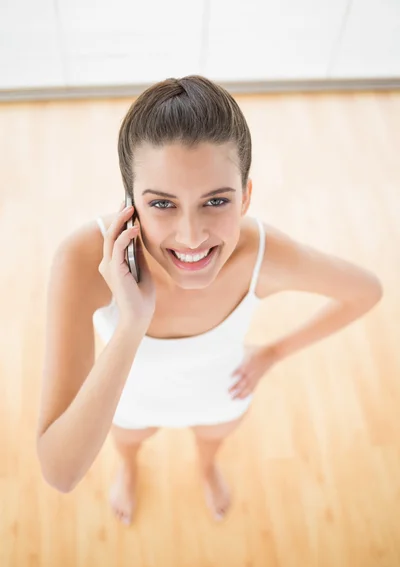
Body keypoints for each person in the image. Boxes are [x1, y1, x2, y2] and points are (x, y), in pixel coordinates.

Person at [36, 75, 383, 526]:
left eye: (216, 200)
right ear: (131, 205)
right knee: (128, 443)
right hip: (127, 402)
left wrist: (274, 353)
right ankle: (129, 467)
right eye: (162, 204)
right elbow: (60, 472)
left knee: (210, 444)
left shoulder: (263, 253)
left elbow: (365, 291)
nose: (191, 236)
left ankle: (206, 467)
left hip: (221, 397)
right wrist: (132, 323)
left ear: (245, 198)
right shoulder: (82, 260)